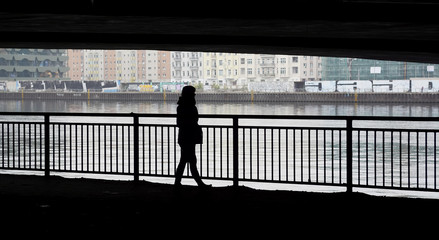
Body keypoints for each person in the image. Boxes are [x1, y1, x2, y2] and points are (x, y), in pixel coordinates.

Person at [174, 86, 210, 188]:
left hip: (184, 137)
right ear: (190, 94)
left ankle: (178, 183)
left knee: (184, 160)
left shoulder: (181, 106)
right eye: (193, 93)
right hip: (189, 137)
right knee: (191, 161)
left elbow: (180, 123)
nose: (195, 95)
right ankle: (199, 184)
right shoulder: (189, 106)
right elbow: (192, 120)